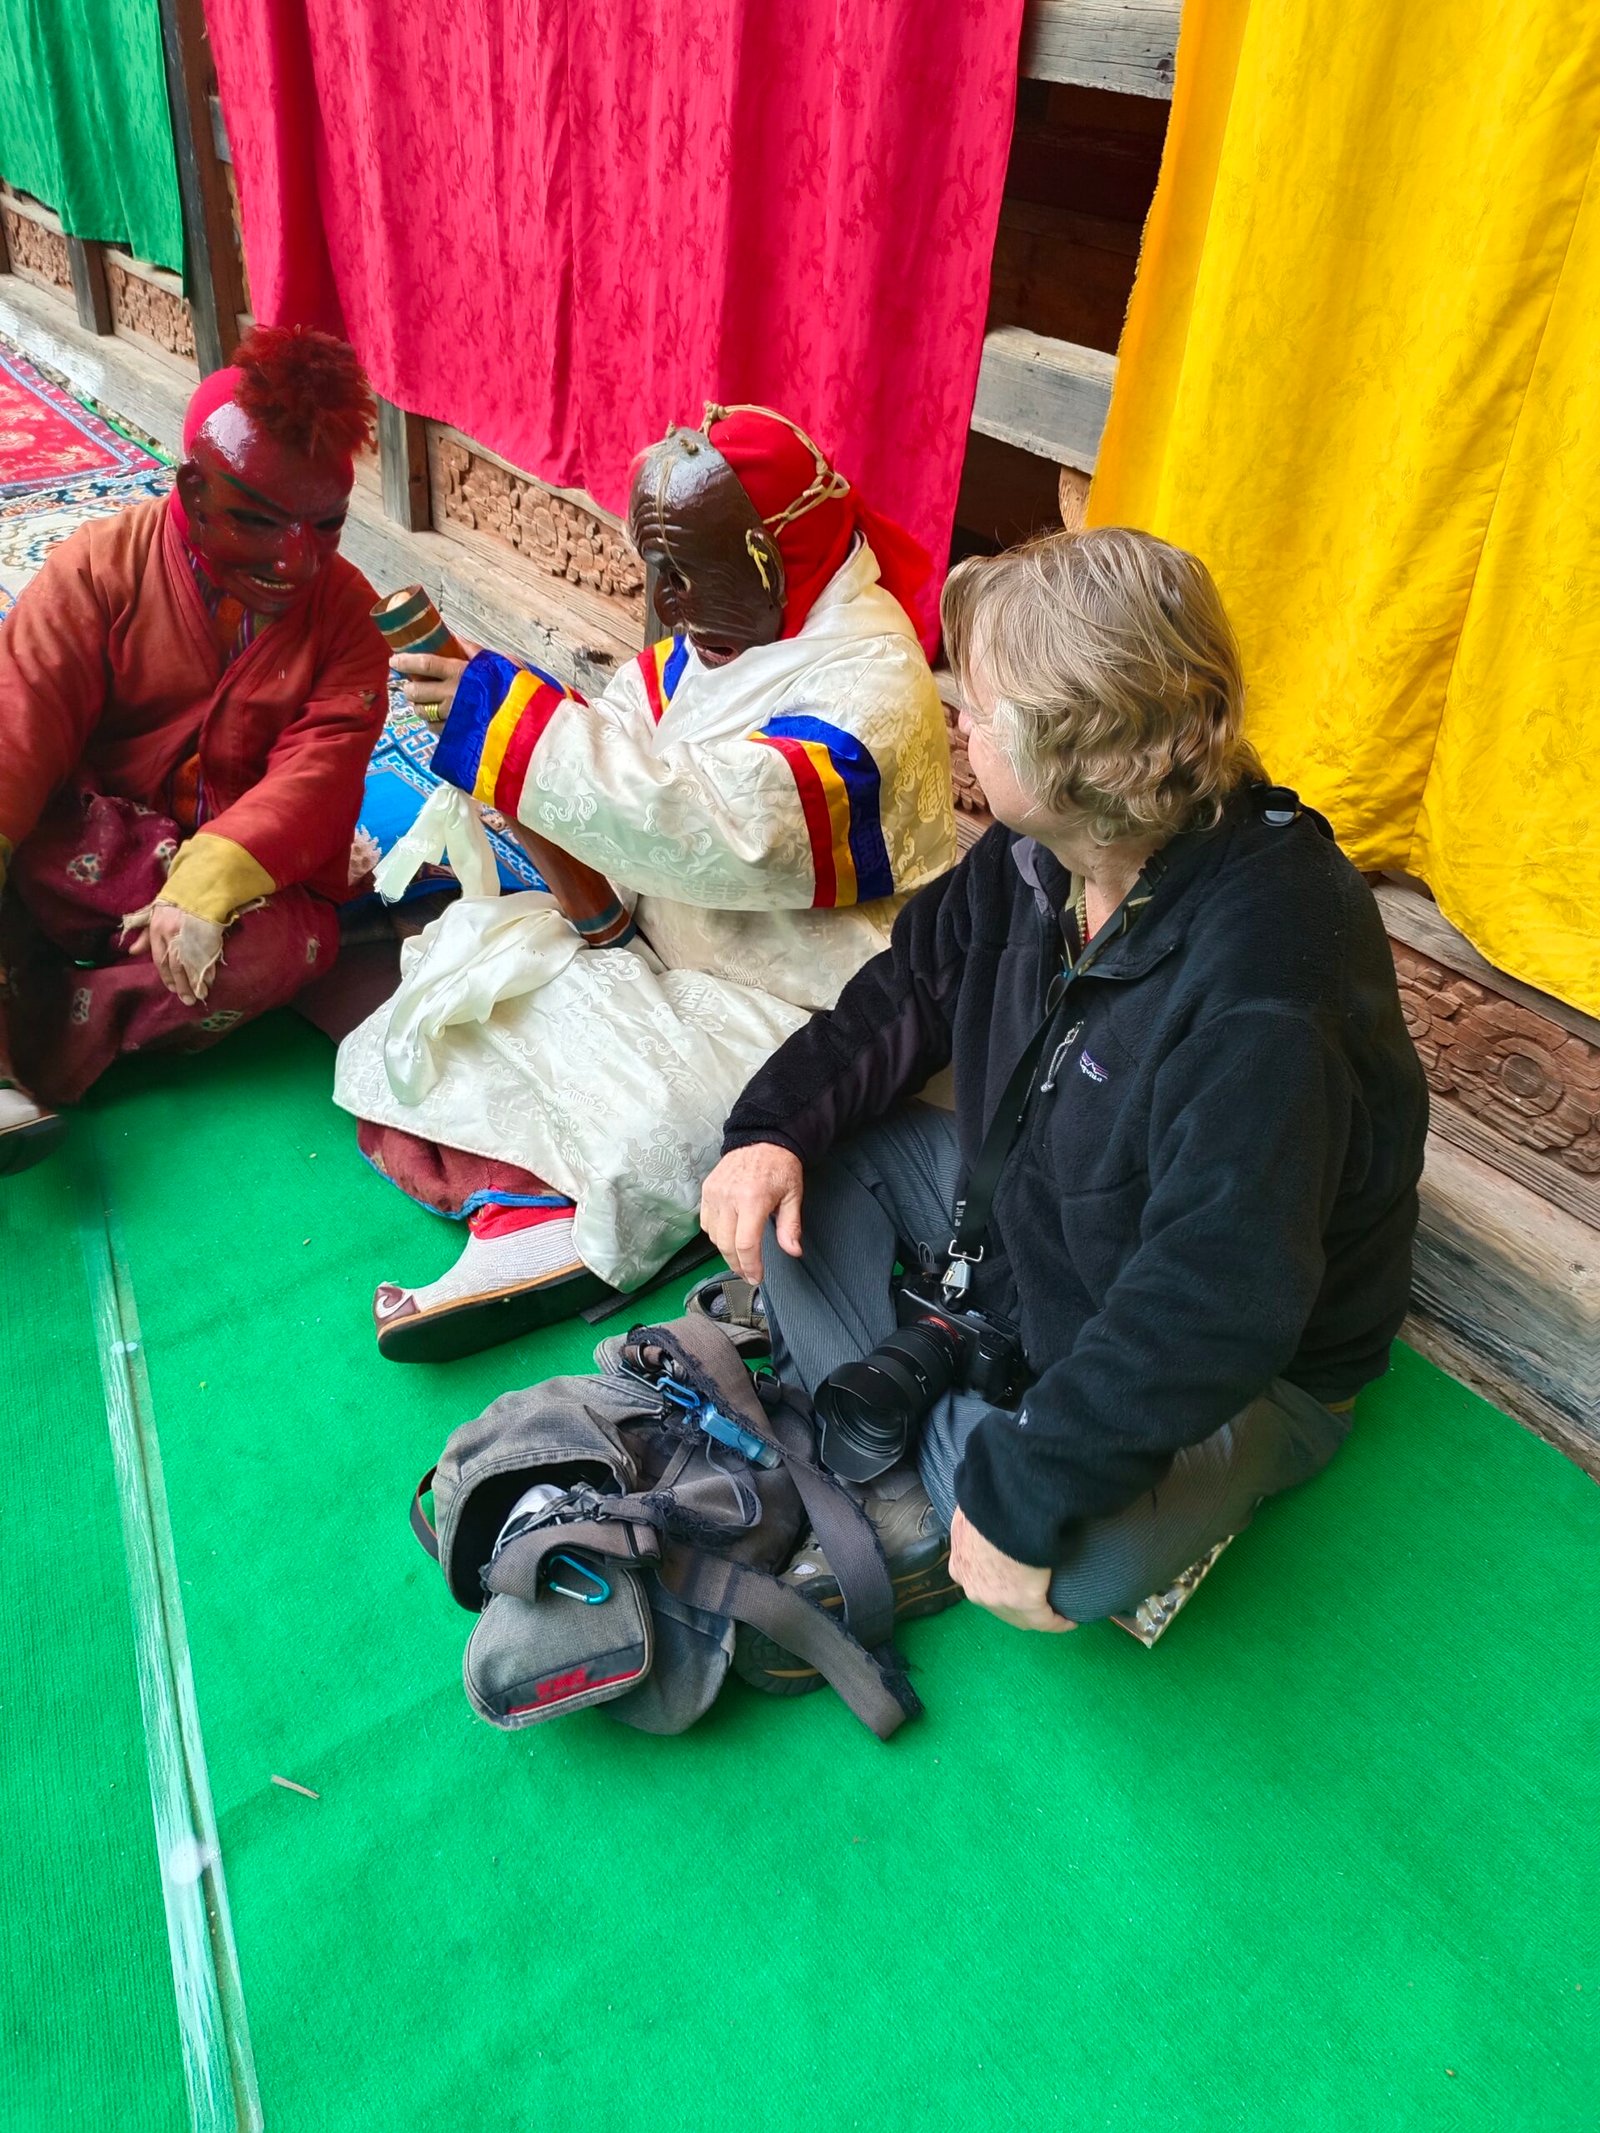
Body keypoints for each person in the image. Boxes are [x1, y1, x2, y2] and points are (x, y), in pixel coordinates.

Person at [700, 526, 1428, 1674]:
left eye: (983, 709)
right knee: (803, 1179)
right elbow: (906, 992)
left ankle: (912, 1442)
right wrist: (768, 1131)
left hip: (1244, 1348)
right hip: (1023, 1225)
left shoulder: (1270, 970)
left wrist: (1031, 1485)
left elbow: (1219, 1289)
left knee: (1075, 1561)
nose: (959, 720)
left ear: (1083, 755)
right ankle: (945, 1439)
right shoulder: (1042, 853)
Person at [334, 403, 956, 1358]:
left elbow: (715, 826)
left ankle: (541, 1223)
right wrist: (518, 734)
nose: (664, 604)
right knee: (458, 985)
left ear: (767, 563)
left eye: (683, 575)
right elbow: (619, 743)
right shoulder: (720, 640)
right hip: (656, 956)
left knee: (647, 1126)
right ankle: (524, 1193)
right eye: (657, 571)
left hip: (805, 1011)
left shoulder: (871, 690)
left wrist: (518, 733)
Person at [0, 327, 387, 1171]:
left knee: (287, 950)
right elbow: (18, 722)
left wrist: (205, 884)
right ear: (192, 491)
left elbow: (319, 778)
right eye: (258, 521)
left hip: (230, 891)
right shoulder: (96, 572)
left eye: (325, 525)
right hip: (90, 849)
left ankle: (46, 1034)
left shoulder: (351, 621)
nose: (296, 561)